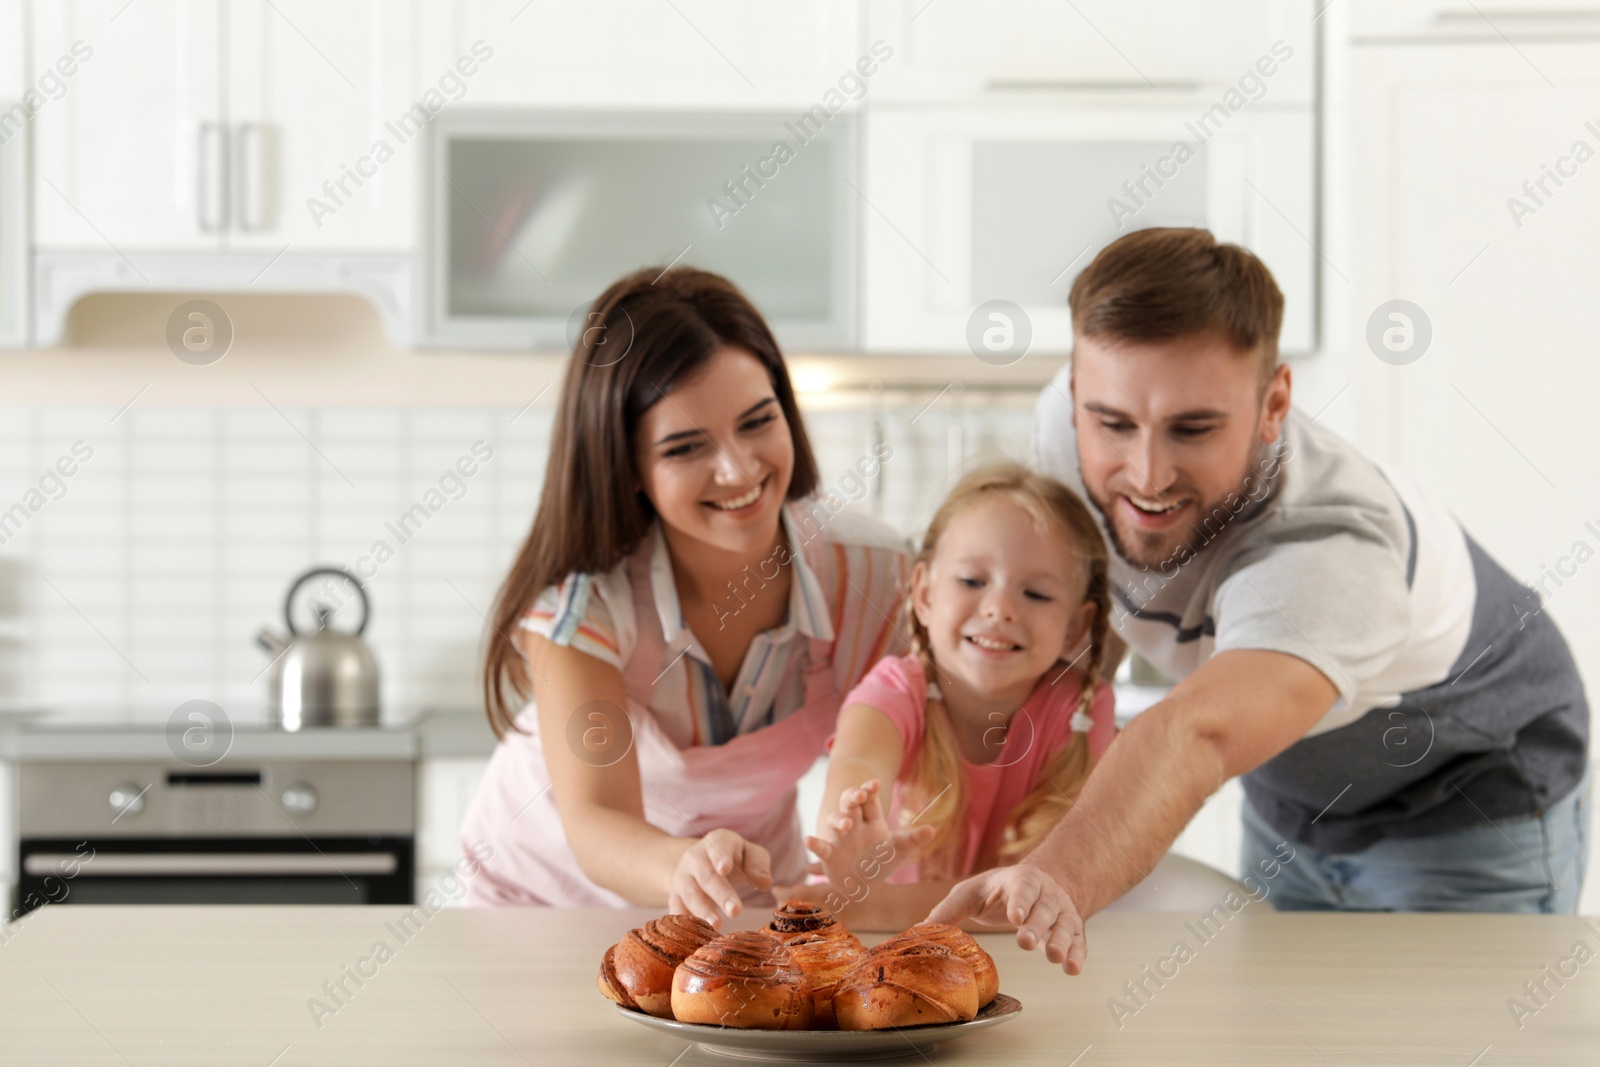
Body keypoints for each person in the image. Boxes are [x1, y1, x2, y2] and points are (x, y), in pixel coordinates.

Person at [928, 228, 1590, 972]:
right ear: (1077, 390)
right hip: (1290, 799)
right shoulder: (1064, 424)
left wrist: (1056, 877)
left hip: (1462, 806)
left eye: (1194, 428)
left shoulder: (1329, 548)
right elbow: (1079, 610)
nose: (1145, 475)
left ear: (1274, 402)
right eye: (1112, 423)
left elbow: (1197, 732)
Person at [459, 266, 906, 927]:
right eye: (686, 447)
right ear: (628, 467)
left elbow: (898, 730)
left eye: (758, 421)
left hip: (744, 898)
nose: (739, 469)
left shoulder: (870, 575)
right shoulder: (583, 607)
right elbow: (596, 819)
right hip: (545, 903)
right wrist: (686, 866)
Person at [795, 463, 1117, 929]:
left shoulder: (1082, 711)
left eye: (1035, 593)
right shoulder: (892, 692)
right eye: (971, 581)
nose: (999, 609)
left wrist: (876, 908)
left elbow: (1054, 891)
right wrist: (845, 830)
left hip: (1024, 960)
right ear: (923, 593)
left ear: (1075, 627)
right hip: (898, 955)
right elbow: (858, 767)